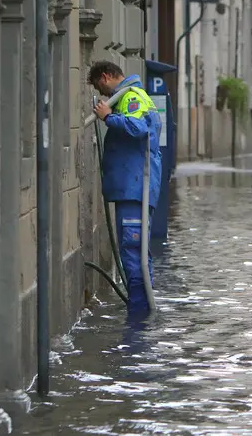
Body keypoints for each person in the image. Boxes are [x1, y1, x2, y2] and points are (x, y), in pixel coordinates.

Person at [89, 60, 162, 315]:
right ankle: (141, 309)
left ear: (107, 76)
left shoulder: (132, 97)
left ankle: (139, 316)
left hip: (135, 189)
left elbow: (138, 128)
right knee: (136, 250)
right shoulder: (129, 98)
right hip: (132, 188)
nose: (103, 95)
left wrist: (108, 117)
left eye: (101, 87)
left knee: (134, 252)